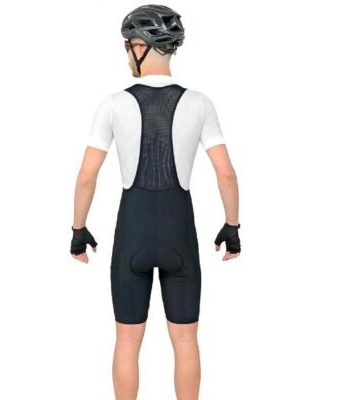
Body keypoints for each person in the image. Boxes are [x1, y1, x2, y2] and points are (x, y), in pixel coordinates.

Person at [70, 4, 241, 399]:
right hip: (180, 235)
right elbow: (227, 174)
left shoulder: (112, 104)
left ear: (139, 46)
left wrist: (78, 229)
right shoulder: (200, 103)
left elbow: (86, 177)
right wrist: (232, 225)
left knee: (127, 342)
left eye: (126, 45)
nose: (125, 53)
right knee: (186, 341)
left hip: (133, 234)